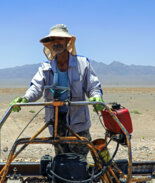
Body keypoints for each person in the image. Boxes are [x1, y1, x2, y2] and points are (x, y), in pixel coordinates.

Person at [9, 24, 104, 157]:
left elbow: (93, 86)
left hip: (78, 121)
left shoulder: (82, 64)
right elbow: (35, 88)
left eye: (60, 39)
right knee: (61, 159)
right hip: (55, 121)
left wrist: (96, 97)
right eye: (53, 40)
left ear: (67, 41)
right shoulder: (45, 68)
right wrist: (25, 98)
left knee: (79, 160)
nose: (56, 43)